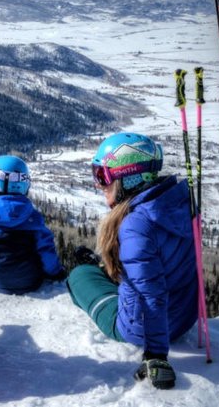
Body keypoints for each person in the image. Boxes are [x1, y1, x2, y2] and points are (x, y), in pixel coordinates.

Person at [66, 133, 198, 390]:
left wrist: (155, 355)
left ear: (129, 177)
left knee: (79, 275)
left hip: (143, 328)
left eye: (103, 176)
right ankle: (103, 270)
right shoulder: (179, 201)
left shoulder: (136, 225)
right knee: (108, 270)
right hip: (184, 316)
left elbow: (151, 294)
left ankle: (89, 274)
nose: (99, 185)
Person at [0, 155, 65, 294]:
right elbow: (46, 250)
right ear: (24, 184)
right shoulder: (33, 217)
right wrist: (55, 273)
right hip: (31, 282)